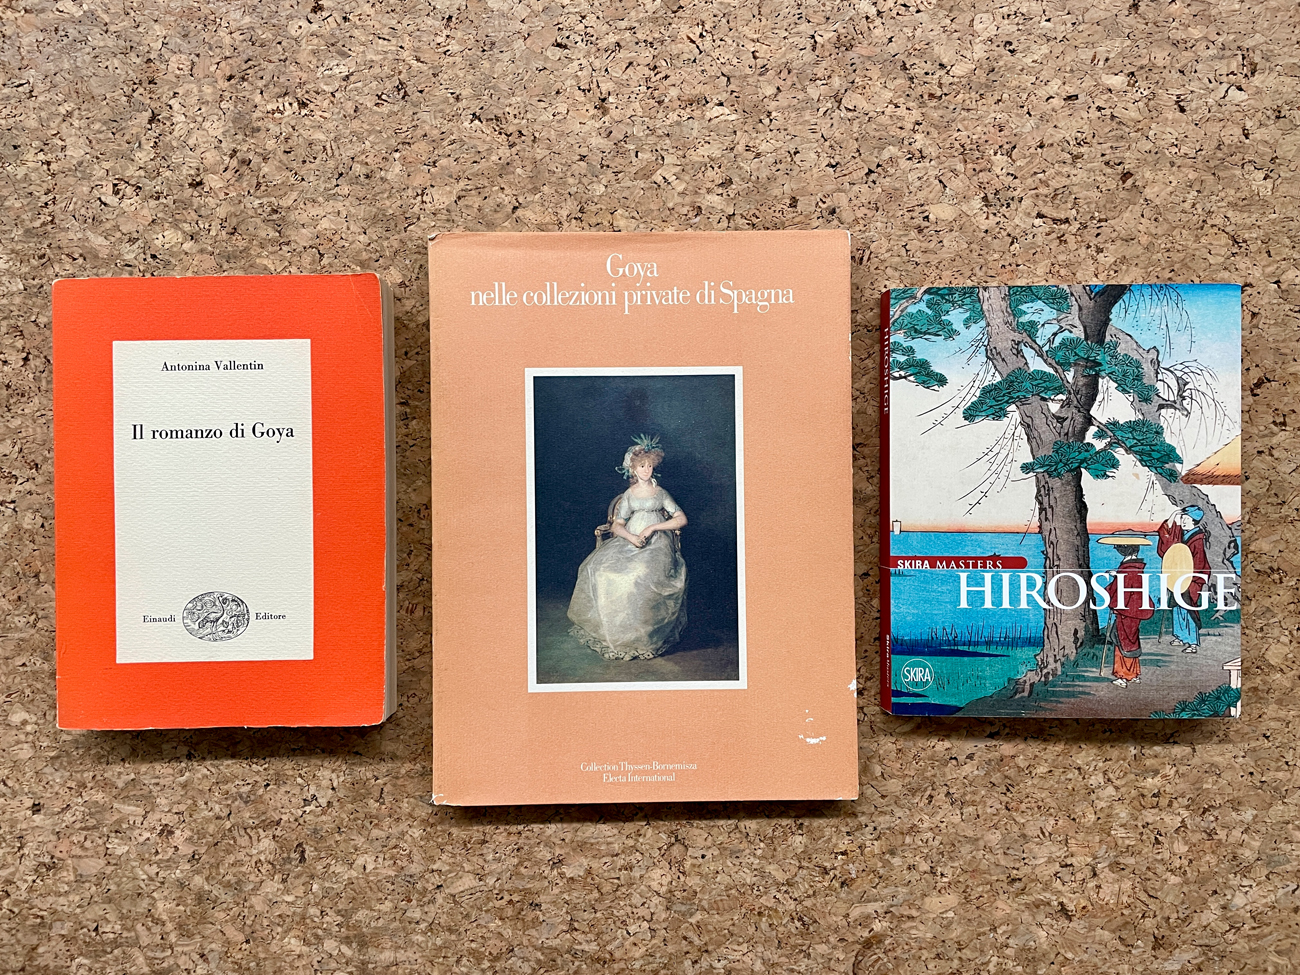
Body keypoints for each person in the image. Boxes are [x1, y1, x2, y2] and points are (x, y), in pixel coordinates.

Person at [567, 435, 688, 660]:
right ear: (633, 469)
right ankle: (618, 633)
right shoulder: (629, 495)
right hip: (629, 540)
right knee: (600, 569)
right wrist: (631, 538)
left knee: (640, 574)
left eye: (649, 465)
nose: (646, 470)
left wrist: (653, 527)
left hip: (657, 543)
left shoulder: (661, 493)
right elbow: (617, 525)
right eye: (642, 466)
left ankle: (643, 636)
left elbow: (681, 519)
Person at [1157, 505, 1211, 652]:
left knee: (1188, 608)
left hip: (1191, 579)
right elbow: (1167, 544)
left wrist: (1188, 577)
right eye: (1183, 518)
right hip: (1179, 577)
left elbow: (1199, 563)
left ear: (1194, 521)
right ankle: (1180, 636)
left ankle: (1193, 643)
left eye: (1187, 519)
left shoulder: (1197, 539)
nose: (1183, 522)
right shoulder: (1181, 535)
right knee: (1177, 607)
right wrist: (1174, 515)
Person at [1103, 543, 1155, 687]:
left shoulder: (1127, 569)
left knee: (1122, 640)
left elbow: (1123, 591)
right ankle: (1134, 674)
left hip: (1125, 612)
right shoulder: (1135, 567)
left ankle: (1123, 676)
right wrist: (1118, 575)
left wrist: (1113, 602)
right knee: (1131, 640)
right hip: (1135, 611)